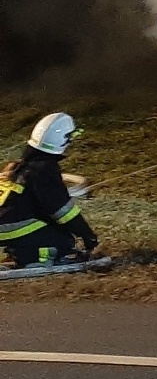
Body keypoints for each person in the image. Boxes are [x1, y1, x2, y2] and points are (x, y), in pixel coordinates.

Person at [0, 113, 99, 268]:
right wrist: (86, 235)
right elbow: (62, 211)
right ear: (64, 141)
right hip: (7, 226)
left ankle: (20, 249)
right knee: (62, 238)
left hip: (6, 223)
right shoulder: (43, 170)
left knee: (43, 226)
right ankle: (35, 259)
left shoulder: (24, 164)